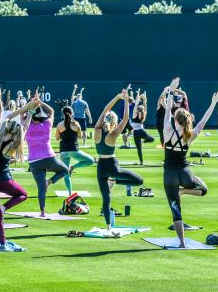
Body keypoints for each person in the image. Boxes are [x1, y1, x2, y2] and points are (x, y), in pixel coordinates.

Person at [163, 77, 218, 248]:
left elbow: (167, 109)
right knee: (204, 189)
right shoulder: (190, 135)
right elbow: (203, 120)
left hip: (170, 175)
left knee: (176, 210)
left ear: (175, 120)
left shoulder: (167, 131)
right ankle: (183, 191)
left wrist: (171, 91)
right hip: (185, 173)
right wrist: (214, 103)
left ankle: (182, 242)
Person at [0, 104, 36, 250]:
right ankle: (4, 207)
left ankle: (2, 243)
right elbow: (24, 128)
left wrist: (25, 108)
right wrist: (29, 112)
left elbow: (8, 118)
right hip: (4, 181)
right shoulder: (13, 147)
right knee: (23, 194)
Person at [95, 88, 144, 230]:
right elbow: (126, 119)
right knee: (139, 181)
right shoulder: (114, 133)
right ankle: (114, 180)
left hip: (101, 167)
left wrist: (117, 97)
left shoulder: (97, 130)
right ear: (114, 123)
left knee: (106, 199)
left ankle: (108, 226)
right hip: (112, 166)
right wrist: (127, 100)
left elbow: (105, 109)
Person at [25, 93, 69, 217]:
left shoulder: (26, 127)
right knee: (65, 170)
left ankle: (42, 212)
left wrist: (30, 105)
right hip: (48, 157)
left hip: (33, 161)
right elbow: (51, 111)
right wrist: (40, 102)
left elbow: (23, 115)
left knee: (41, 188)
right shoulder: (47, 125)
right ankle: (49, 182)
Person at [55, 106, 95, 194]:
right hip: (74, 150)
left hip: (64, 151)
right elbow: (80, 137)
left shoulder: (59, 125)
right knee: (91, 161)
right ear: (72, 113)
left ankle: (70, 192)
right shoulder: (76, 124)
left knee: (66, 172)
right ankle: (73, 167)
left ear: (62, 114)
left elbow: (57, 138)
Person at [131, 90, 155, 165]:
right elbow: (145, 106)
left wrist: (139, 95)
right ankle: (143, 142)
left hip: (136, 132)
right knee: (152, 139)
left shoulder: (135, 114)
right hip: (141, 131)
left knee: (139, 149)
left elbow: (136, 104)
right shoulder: (143, 115)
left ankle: (141, 162)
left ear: (138, 110)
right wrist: (144, 100)